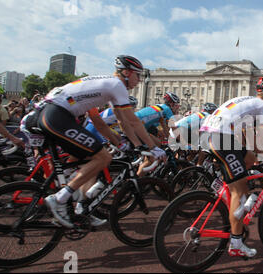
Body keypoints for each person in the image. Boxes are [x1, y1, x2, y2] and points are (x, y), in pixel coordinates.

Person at [29, 55, 166, 228]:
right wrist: (153, 147)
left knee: (93, 163)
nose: (139, 81)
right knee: (103, 158)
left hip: (48, 114)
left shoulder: (101, 84)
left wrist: (133, 145)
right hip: (57, 116)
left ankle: (80, 209)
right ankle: (59, 199)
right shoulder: (117, 85)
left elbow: (119, 120)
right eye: (137, 76)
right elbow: (132, 121)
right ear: (126, 72)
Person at [200, 77, 263, 258]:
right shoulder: (262, 107)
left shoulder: (247, 102)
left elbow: (249, 136)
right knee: (241, 191)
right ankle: (236, 244)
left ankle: (226, 190)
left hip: (207, 135)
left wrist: (256, 151)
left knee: (249, 159)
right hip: (221, 137)